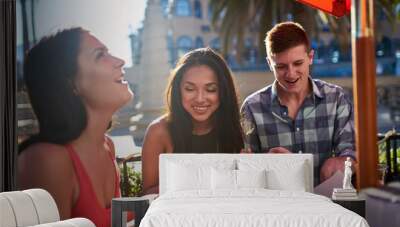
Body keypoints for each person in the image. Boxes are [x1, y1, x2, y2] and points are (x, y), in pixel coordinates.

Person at [17, 27, 133, 227]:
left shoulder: (108, 147)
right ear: (71, 83)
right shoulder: (47, 160)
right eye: (100, 55)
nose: (120, 61)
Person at [241, 22, 356, 186]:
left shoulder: (336, 98)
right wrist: (265, 164)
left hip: (328, 206)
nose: (290, 73)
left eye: (297, 63)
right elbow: (245, 169)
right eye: (280, 66)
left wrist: (344, 160)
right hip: (279, 206)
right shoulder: (252, 108)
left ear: (310, 57)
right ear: (269, 64)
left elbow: (350, 150)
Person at [142, 47, 244, 194]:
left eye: (211, 89)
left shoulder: (236, 128)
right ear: (178, 90)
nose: (200, 99)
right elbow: (147, 194)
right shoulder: (158, 132)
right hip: (176, 215)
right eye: (190, 89)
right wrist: (204, 182)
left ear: (223, 92)